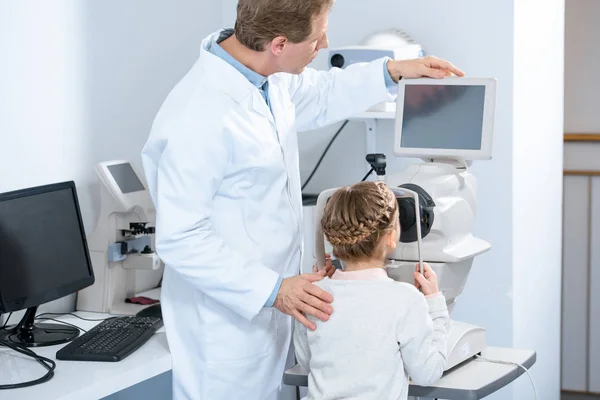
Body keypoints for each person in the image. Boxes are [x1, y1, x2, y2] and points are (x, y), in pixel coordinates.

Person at [141, 0, 464, 398]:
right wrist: (274, 290)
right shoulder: (197, 116)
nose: (324, 44)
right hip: (225, 327)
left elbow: (323, 92)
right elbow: (181, 238)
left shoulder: (266, 79)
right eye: (317, 37)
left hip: (278, 305)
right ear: (278, 43)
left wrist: (391, 71)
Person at [293, 181, 450, 399]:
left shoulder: (313, 297)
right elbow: (428, 373)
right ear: (390, 237)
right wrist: (434, 303)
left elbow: (307, 362)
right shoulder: (405, 300)